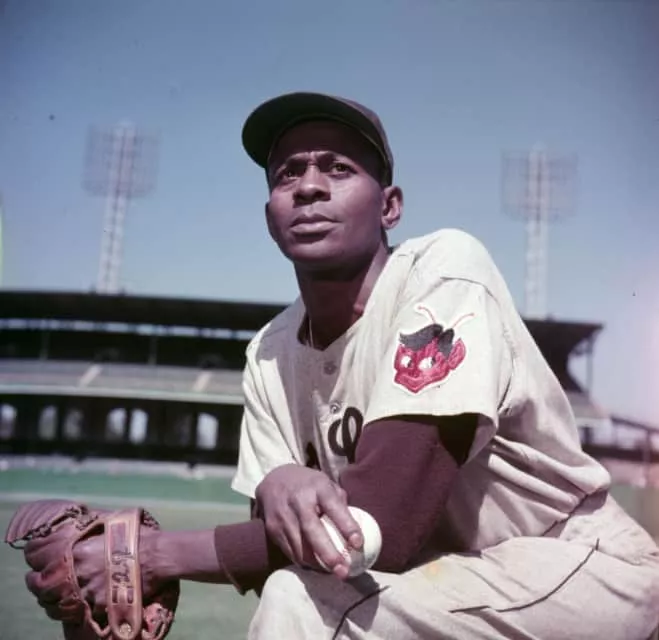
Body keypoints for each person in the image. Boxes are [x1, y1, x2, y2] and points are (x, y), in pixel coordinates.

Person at [26, 92, 659, 639]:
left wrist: (152, 555)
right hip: (444, 587)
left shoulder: (444, 272)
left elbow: (375, 530)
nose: (308, 186)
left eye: (338, 167)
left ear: (390, 206)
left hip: (573, 566)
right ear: (270, 215)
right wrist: (278, 485)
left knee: (306, 605)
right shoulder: (268, 353)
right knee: (310, 589)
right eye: (287, 173)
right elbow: (288, 545)